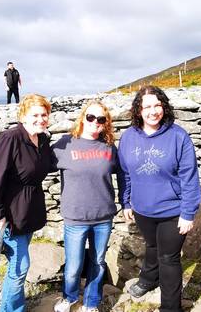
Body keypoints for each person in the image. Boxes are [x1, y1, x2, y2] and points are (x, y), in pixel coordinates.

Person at [118, 85, 201, 312]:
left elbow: (189, 177)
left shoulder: (178, 136)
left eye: (157, 105)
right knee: (152, 245)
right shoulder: (128, 138)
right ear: (138, 111)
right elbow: (124, 173)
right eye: (147, 107)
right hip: (143, 210)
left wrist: (188, 213)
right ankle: (148, 278)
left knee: (169, 258)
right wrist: (125, 201)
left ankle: (170, 308)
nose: (153, 111)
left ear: (164, 106)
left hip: (172, 212)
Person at [0, 94, 53, 312]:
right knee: (20, 267)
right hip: (9, 216)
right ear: (22, 115)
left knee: (17, 265)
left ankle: (13, 305)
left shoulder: (41, 140)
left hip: (29, 212)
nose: (40, 119)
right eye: (35, 115)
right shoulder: (10, 139)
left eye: (44, 115)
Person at [52, 100, 120, 312]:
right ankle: (69, 296)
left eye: (101, 119)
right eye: (91, 117)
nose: (95, 122)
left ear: (105, 123)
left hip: (103, 217)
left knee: (97, 262)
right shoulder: (65, 144)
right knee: (73, 266)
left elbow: (125, 174)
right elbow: (35, 167)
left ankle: (91, 302)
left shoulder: (109, 147)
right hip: (75, 217)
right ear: (82, 118)